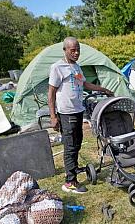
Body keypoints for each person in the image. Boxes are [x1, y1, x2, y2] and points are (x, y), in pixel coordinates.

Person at [48, 37, 113, 194]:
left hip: (78, 111)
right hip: (66, 113)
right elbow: (51, 93)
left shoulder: (76, 67)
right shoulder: (57, 67)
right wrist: (53, 116)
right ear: (65, 50)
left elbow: (84, 84)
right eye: (73, 50)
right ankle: (70, 182)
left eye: (78, 50)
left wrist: (102, 89)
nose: (76, 53)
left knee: (77, 142)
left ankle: (74, 168)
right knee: (70, 146)